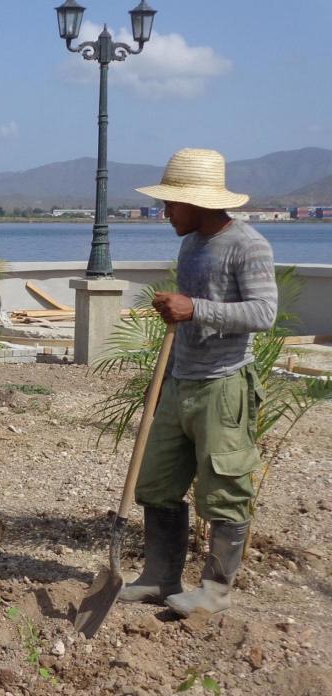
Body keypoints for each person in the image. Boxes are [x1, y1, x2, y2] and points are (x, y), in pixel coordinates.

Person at [120, 148, 277, 617]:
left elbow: (264, 313)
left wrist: (196, 308)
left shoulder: (249, 245)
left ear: (201, 203)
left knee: (225, 489)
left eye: (172, 204)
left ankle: (214, 590)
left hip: (223, 385)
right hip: (180, 381)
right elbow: (186, 315)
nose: (165, 212)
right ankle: (159, 577)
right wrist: (163, 379)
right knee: (157, 482)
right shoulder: (191, 243)